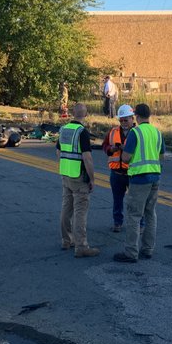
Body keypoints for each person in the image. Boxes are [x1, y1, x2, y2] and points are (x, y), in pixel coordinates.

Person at [114, 103, 165, 263]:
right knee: (150, 214)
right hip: (155, 177)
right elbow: (161, 156)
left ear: (136, 115)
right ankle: (148, 249)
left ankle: (131, 252)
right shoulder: (157, 132)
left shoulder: (135, 133)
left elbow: (126, 157)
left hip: (139, 179)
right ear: (149, 115)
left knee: (134, 215)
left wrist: (124, 151)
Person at [56, 103, 100, 258]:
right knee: (80, 212)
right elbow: (87, 158)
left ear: (72, 113)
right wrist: (92, 179)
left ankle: (66, 240)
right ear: (86, 114)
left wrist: (66, 166)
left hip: (66, 174)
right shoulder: (82, 132)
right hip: (79, 177)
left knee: (66, 208)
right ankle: (81, 246)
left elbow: (58, 151)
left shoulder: (64, 130)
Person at [102, 104, 136, 232]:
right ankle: (118, 223)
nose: (123, 123)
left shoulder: (137, 133)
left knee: (135, 202)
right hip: (116, 173)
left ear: (132, 119)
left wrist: (125, 149)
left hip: (132, 173)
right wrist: (111, 149)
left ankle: (140, 224)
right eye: (121, 120)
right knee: (117, 201)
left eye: (125, 120)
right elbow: (104, 145)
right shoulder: (113, 132)